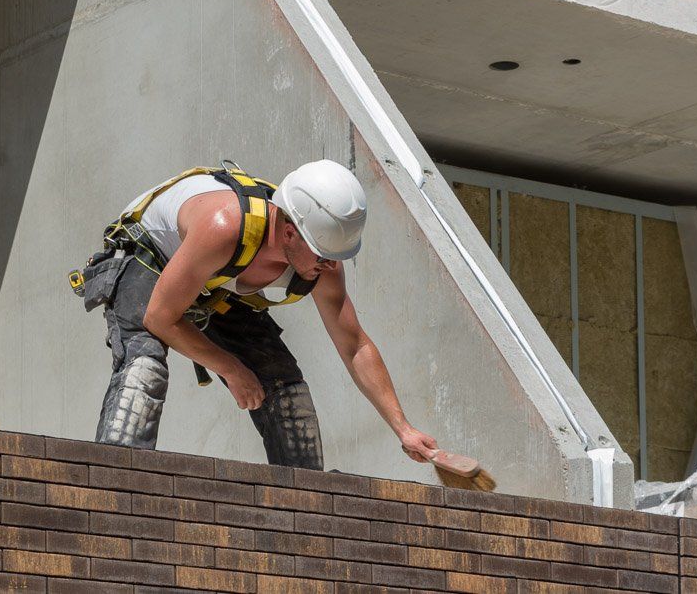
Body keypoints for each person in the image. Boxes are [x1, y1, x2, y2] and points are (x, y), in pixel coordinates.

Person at [74, 160, 435, 470]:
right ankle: (116, 488)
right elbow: (160, 318)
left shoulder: (322, 264)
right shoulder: (223, 227)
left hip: (217, 282)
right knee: (144, 370)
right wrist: (230, 368)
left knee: (289, 396)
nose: (330, 266)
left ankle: (304, 510)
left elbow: (354, 344)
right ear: (290, 232)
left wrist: (403, 429)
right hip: (151, 255)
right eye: (323, 255)